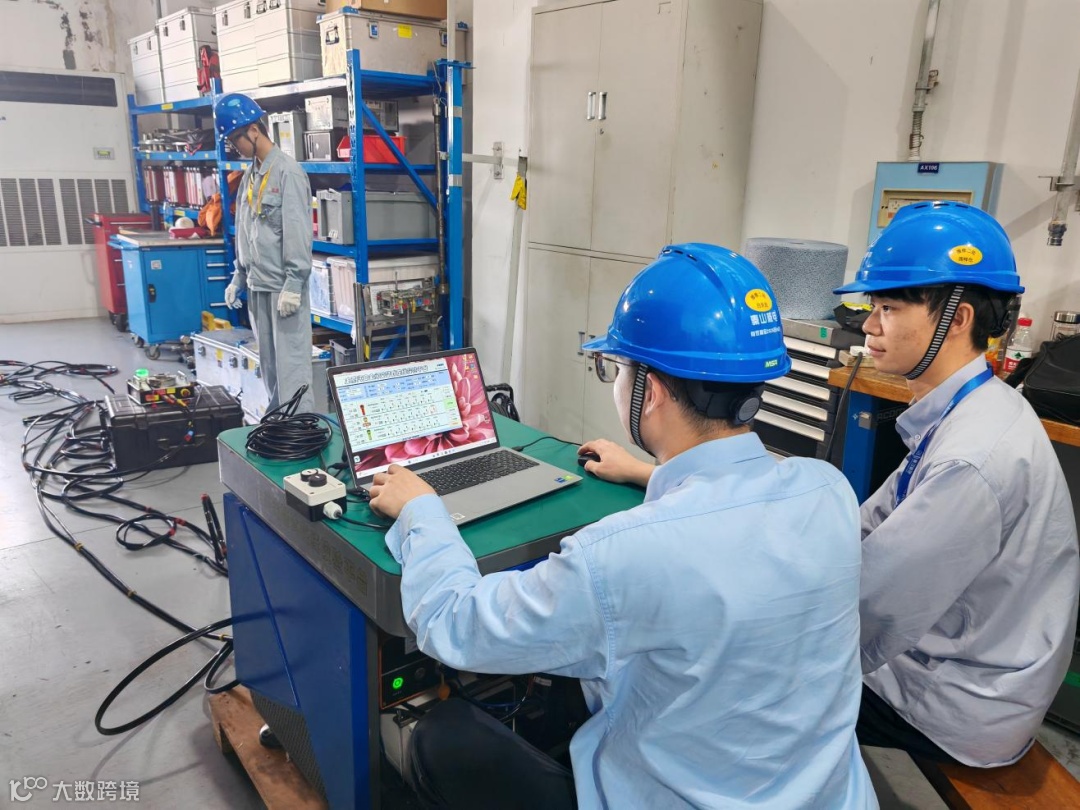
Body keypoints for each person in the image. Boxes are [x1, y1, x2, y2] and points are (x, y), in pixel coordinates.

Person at [369, 244, 877, 809]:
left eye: (617, 369)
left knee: (443, 737)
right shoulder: (828, 490)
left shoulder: (626, 552)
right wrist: (647, 472)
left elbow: (453, 624)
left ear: (649, 391)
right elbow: (730, 509)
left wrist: (422, 509)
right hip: (826, 795)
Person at [831, 201, 1080, 767]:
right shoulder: (972, 408)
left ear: (957, 318)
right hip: (956, 665)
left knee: (755, 680)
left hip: (959, 703)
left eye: (888, 308)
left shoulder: (973, 456)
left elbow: (873, 612)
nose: (869, 325)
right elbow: (874, 523)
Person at [215, 92, 315, 412]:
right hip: (258, 287)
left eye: (236, 140)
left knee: (292, 370)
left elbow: (297, 231)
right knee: (271, 368)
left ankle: (300, 429)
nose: (235, 147)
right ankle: (280, 426)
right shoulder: (250, 176)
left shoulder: (288, 173)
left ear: (254, 131)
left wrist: (294, 284)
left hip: (283, 290)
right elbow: (245, 229)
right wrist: (238, 276)